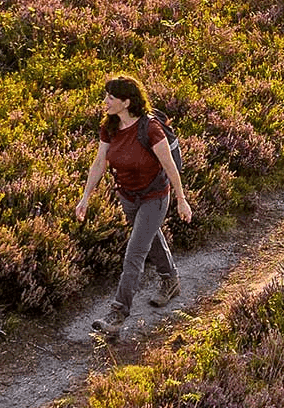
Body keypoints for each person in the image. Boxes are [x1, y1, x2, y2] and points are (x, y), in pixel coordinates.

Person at [76, 73, 195, 337]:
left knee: (134, 254)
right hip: (128, 197)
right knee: (150, 238)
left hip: (155, 196)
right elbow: (99, 163)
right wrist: (85, 197)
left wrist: (181, 199)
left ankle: (117, 315)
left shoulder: (149, 128)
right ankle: (171, 280)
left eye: (111, 97)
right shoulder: (109, 126)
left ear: (127, 102)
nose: (105, 100)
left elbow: (169, 165)